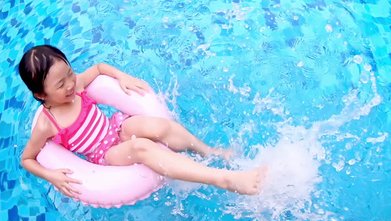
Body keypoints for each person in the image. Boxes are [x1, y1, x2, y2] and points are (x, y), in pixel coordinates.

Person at [19, 45, 266, 199]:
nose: (71, 84)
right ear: (41, 94)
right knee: (142, 148)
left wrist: (122, 77)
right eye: (61, 84)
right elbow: (27, 159)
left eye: (69, 74)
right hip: (105, 153)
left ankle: (211, 152)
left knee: (160, 127)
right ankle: (224, 179)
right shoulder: (47, 124)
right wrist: (51, 176)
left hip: (116, 126)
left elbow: (99, 67)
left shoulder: (78, 84)